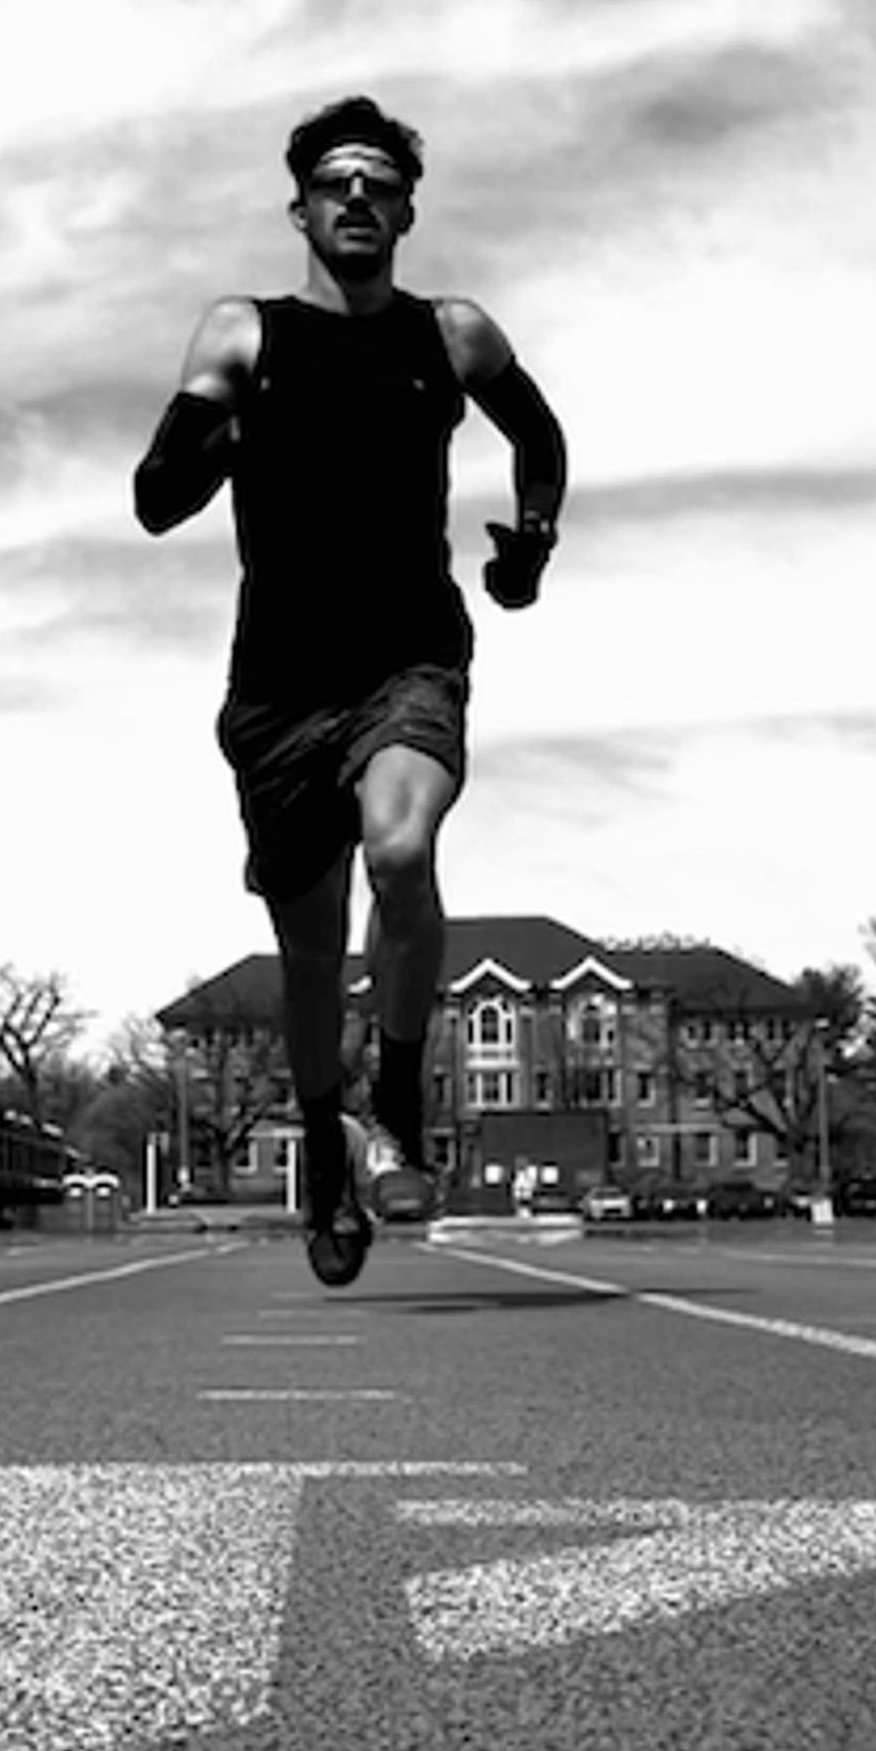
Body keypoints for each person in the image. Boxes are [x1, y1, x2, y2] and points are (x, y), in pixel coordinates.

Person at [134, 94, 568, 1287]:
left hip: (409, 663)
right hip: (277, 690)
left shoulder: (452, 336)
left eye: (381, 182)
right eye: (339, 182)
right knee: (312, 954)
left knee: (401, 847)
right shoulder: (246, 334)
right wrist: (212, 442)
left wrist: (529, 542)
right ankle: (327, 1150)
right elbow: (156, 496)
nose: (360, 197)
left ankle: (398, 1094)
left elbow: (540, 435)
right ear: (303, 210)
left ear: (409, 211)